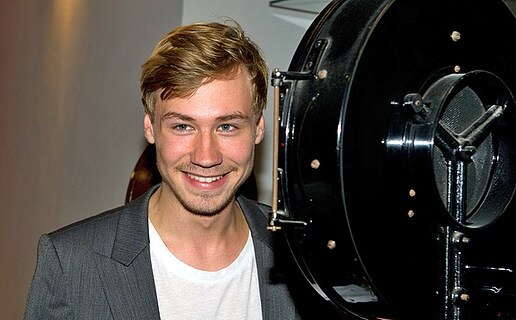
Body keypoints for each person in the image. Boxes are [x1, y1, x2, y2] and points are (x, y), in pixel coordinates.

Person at [24, 19, 341, 319]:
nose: (206, 156)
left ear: (258, 128)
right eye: (182, 126)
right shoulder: (72, 264)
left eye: (227, 126)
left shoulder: (305, 254)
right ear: (151, 128)